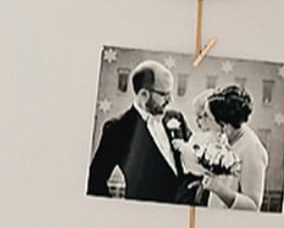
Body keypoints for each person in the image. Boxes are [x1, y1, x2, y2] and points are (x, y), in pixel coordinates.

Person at [87, 60, 191, 202]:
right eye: (164, 94)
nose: (170, 100)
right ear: (143, 94)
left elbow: (194, 156)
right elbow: (95, 180)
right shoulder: (117, 129)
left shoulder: (177, 118)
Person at [180, 84, 268, 210]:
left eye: (208, 117)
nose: (203, 121)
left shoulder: (252, 151)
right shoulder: (225, 137)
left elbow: (253, 206)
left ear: (225, 126)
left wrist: (218, 188)